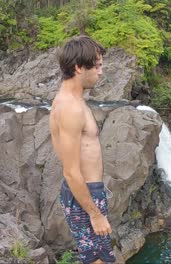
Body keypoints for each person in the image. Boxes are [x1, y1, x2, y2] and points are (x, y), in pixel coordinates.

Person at [49, 35, 116, 264]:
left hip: (89, 192)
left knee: (103, 258)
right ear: (79, 67)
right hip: (83, 196)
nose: (100, 72)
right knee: (98, 260)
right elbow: (70, 172)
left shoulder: (75, 101)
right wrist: (95, 215)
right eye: (96, 66)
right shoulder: (70, 108)